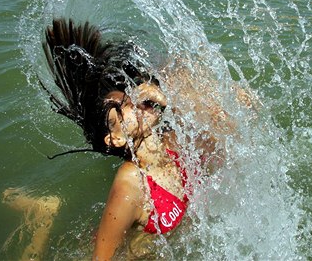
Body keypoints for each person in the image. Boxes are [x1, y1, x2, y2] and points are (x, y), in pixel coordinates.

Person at [25, 18, 230, 259]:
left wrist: (167, 100)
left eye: (130, 96)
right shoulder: (131, 184)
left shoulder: (173, 142)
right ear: (116, 139)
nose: (134, 102)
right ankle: (44, 212)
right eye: (122, 107)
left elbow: (224, 138)